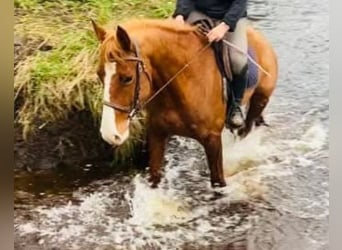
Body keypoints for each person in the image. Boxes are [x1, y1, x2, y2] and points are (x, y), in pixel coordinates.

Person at [172, 0, 248, 128]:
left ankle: (235, 106)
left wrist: (225, 25)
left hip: (229, 16)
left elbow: (240, 3)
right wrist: (180, 15)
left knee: (238, 61)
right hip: (198, 13)